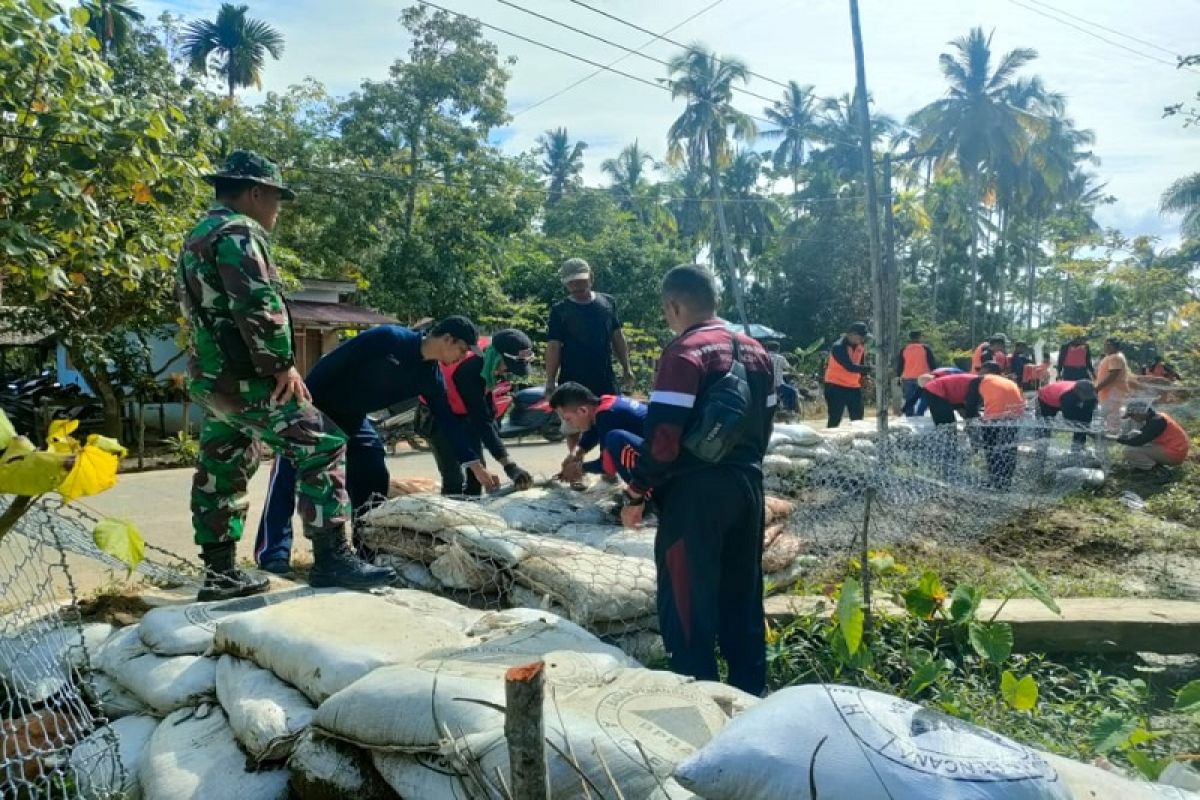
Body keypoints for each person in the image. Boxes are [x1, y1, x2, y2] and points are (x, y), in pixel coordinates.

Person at [177, 150, 394, 601]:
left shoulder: (198, 234)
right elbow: (256, 303)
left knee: (223, 463)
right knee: (323, 445)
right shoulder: (239, 231)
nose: (277, 209)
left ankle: (219, 573)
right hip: (250, 378)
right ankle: (332, 559)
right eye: (276, 198)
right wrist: (280, 363)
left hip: (212, 378)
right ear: (255, 193)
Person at [621, 264, 775, 696]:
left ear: (673, 305)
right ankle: (750, 698)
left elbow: (664, 436)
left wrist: (636, 491)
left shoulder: (685, 351)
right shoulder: (758, 352)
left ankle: (699, 701)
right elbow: (765, 426)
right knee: (742, 596)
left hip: (695, 493)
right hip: (748, 487)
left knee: (688, 602)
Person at [253, 319, 503, 573]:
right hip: (317, 408)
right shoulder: (388, 339)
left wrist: (474, 466)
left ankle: (364, 552)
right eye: (463, 350)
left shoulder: (430, 376)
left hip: (354, 419)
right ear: (448, 339)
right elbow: (330, 365)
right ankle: (273, 553)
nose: (463, 357)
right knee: (288, 472)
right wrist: (301, 411)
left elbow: (447, 421)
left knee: (373, 470)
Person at [427, 329, 535, 497]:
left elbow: (486, 415)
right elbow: (481, 421)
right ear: (497, 357)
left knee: (476, 480)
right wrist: (509, 466)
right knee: (455, 480)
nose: (506, 372)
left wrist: (505, 464)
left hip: (465, 413)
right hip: (438, 417)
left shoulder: (488, 359)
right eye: (507, 366)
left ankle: (471, 513)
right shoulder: (469, 370)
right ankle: (451, 516)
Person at [544, 258, 634, 398]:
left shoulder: (608, 303)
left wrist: (626, 368)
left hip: (605, 380)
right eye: (571, 282)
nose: (576, 286)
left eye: (580, 280)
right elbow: (553, 347)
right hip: (572, 382)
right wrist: (550, 381)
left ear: (591, 277)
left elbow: (617, 336)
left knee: (608, 418)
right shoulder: (560, 311)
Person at [550, 382, 648, 485]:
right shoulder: (605, 404)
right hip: (658, 449)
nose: (569, 424)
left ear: (583, 410)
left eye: (568, 419)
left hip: (660, 460)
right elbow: (594, 432)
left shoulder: (608, 416)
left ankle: (642, 492)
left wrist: (579, 468)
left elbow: (608, 467)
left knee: (615, 441)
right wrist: (576, 453)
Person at [963, 363, 1025, 489]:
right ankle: (1006, 481)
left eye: (980, 370)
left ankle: (995, 481)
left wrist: (969, 423)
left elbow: (971, 405)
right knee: (1009, 449)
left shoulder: (980, 380)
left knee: (991, 450)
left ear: (987, 370)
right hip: (1015, 417)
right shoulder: (1007, 381)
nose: (978, 373)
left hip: (995, 418)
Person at [1117, 401, 1190, 471]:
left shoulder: (1156, 422)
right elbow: (1142, 436)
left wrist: (1118, 438)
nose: (1132, 418)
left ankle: (1155, 469)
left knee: (1129, 451)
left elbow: (1137, 441)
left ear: (1140, 413)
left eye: (1132, 415)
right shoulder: (1158, 417)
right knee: (1139, 447)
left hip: (1175, 453)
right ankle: (1151, 464)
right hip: (1175, 449)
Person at [823, 322, 869, 428]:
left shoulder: (860, 346)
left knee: (858, 418)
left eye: (863, 337)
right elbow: (849, 367)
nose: (862, 339)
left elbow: (860, 363)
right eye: (861, 336)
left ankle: (858, 443)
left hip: (853, 386)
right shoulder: (838, 347)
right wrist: (873, 369)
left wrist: (864, 376)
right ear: (851, 334)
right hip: (835, 386)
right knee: (835, 418)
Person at [1036, 379, 1097, 448]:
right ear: (1078, 392)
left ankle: (1078, 449)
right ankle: (1041, 449)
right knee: (1045, 426)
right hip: (1046, 399)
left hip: (1060, 395)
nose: (1088, 398)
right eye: (1086, 396)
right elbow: (1068, 417)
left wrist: (1087, 426)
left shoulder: (1089, 394)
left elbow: (1088, 413)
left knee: (1081, 423)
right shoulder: (1068, 396)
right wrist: (1084, 427)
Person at [1094, 338, 1132, 434]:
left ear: (1115, 347)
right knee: (1110, 415)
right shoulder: (1113, 357)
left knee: (1111, 415)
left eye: (1109, 345)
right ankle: (1110, 434)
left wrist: (1097, 388)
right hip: (1109, 393)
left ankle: (1112, 435)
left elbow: (1113, 375)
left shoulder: (1115, 357)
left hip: (1112, 392)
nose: (1106, 347)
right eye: (1105, 345)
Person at [896, 330, 937, 417]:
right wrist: (936, 375)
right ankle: (920, 413)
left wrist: (898, 377)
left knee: (909, 399)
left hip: (907, 378)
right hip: (923, 378)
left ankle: (909, 416)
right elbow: (932, 363)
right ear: (919, 337)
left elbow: (900, 365)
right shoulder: (925, 348)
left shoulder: (904, 349)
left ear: (910, 338)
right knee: (926, 397)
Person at [765, 341, 798, 414]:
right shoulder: (780, 358)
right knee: (792, 392)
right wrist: (795, 372)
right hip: (778, 385)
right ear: (778, 349)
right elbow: (789, 368)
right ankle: (789, 411)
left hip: (765, 386)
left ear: (767, 348)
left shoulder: (764, 356)